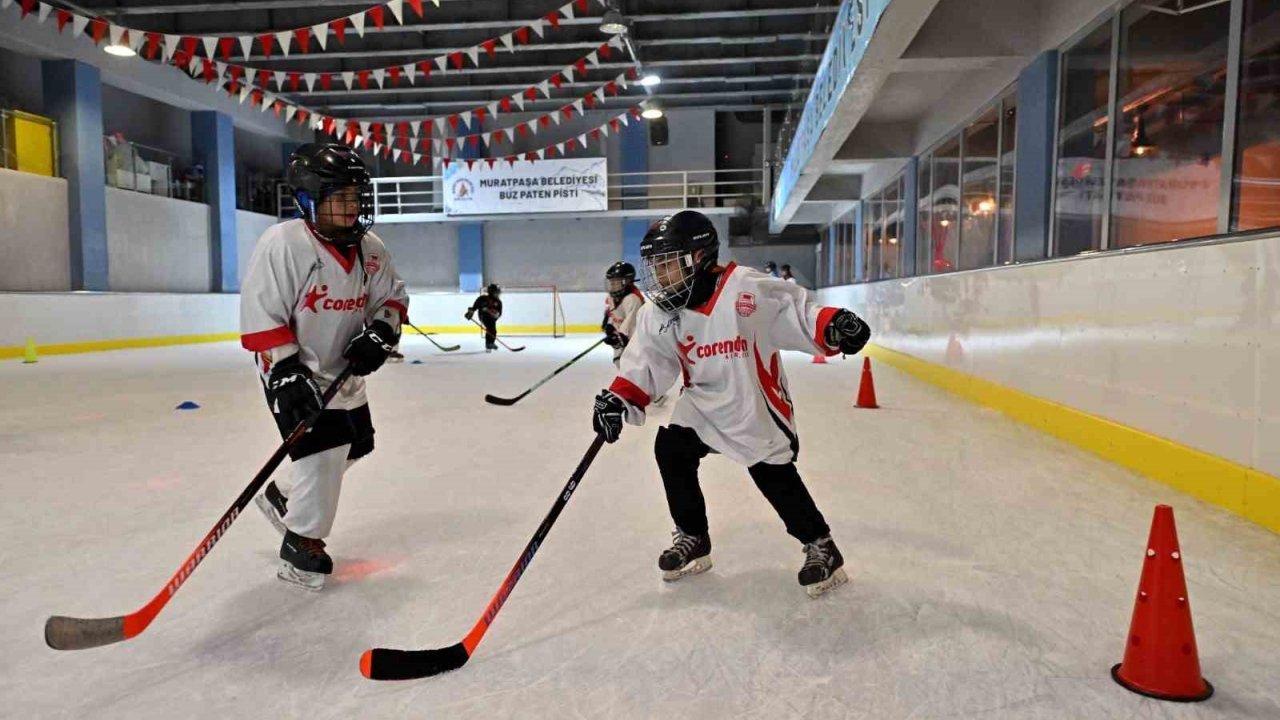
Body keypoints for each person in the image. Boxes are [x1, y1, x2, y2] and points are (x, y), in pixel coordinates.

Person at [590, 210, 871, 598]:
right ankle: (693, 536)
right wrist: (619, 397)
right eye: (655, 266)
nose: (661, 276)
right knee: (671, 449)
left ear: (701, 257)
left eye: (669, 264)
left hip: (750, 401)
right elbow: (649, 363)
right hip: (702, 403)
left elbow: (797, 313)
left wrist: (834, 324)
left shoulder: (746, 289)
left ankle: (821, 545)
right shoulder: (660, 312)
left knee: (772, 474)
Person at [241, 142, 408, 591]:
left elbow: (391, 298)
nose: (350, 209)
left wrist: (381, 331)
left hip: (345, 370)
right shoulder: (283, 244)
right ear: (308, 200)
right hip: (297, 369)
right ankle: (301, 545)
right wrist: (284, 368)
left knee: (358, 443)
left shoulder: (371, 248)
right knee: (326, 449)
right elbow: (262, 310)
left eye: (355, 198)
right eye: (339, 199)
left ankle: (284, 496)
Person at [602, 261, 644, 367]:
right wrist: (610, 326)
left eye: (616, 282)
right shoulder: (612, 297)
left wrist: (619, 338)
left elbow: (631, 325)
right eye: (611, 283)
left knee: (632, 374)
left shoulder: (632, 299)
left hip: (635, 347)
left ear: (627, 282)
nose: (613, 286)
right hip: (623, 346)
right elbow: (614, 314)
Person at [466, 284, 503, 352]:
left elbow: (499, 313)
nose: (498, 294)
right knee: (491, 327)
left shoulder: (499, 302)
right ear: (492, 292)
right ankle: (489, 343)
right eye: (497, 292)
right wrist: (470, 312)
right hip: (483, 316)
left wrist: (492, 313)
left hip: (492, 318)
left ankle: (490, 343)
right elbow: (474, 307)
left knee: (493, 329)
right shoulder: (482, 299)